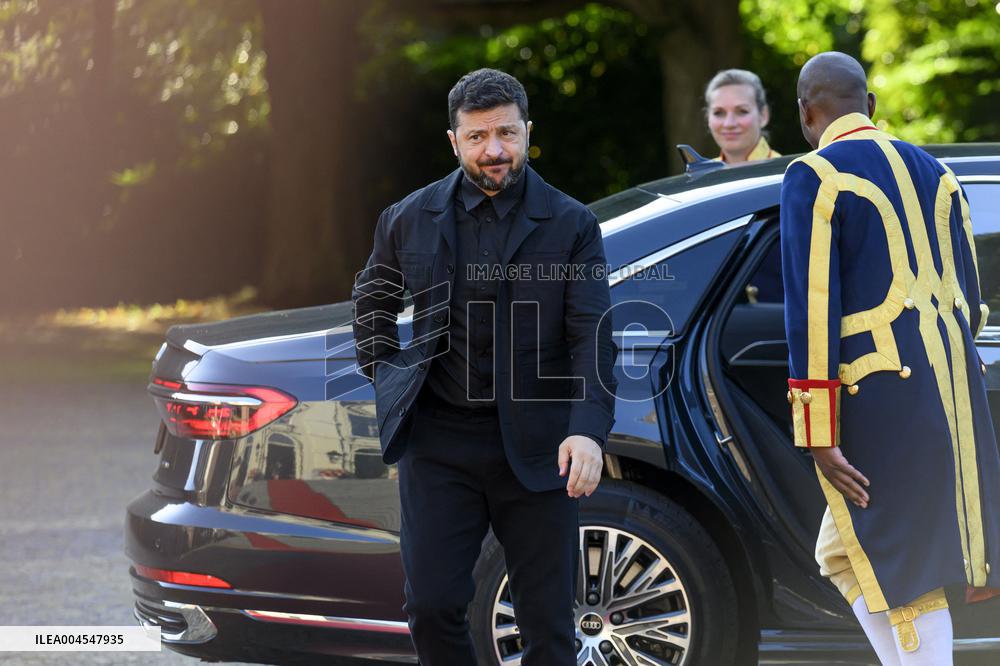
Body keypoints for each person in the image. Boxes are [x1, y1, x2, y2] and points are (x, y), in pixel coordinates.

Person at [351, 68, 618, 665]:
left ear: (527, 131)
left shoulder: (573, 225)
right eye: (477, 137)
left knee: (548, 623)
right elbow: (372, 305)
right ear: (454, 142)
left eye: (506, 133)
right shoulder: (408, 218)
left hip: (541, 444)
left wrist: (587, 429)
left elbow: (592, 335)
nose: (494, 150)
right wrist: (390, 379)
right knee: (432, 607)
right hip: (440, 444)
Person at [781, 51, 1000, 665]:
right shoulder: (938, 170)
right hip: (951, 397)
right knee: (845, 554)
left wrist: (818, 431)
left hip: (876, 405)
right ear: (870, 105)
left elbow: (811, 312)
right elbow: (973, 303)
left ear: (806, 114)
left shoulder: (814, 175)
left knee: (903, 568)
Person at [705, 68, 780, 164]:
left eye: (742, 111)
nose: (729, 124)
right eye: (718, 113)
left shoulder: (787, 174)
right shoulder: (703, 177)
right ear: (708, 118)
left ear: (763, 115)